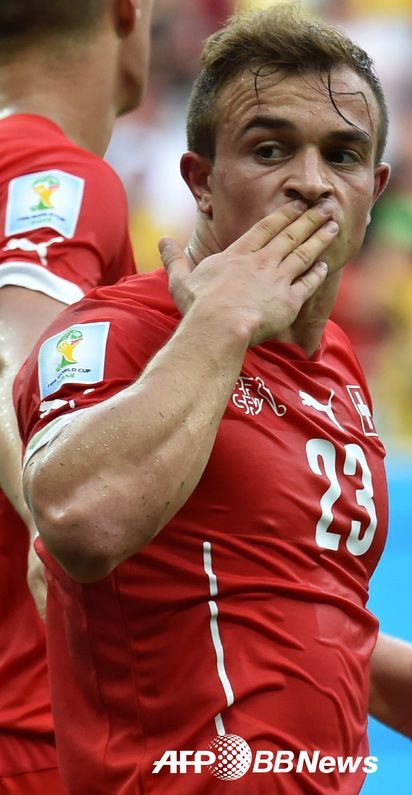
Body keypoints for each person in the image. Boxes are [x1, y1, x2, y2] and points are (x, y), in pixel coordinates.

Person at [14, 5, 412, 795]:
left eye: (342, 155)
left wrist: (366, 659)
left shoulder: (339, 364)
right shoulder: (119, 330)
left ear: (375, 189)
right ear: (201, 183)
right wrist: (220, 322)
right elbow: (76, 520)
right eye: (270, 149)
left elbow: (234, 577)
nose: (311, 183)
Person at [0, 1, 153, 792]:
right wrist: (56, 516)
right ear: (129, 11)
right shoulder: (50, 170)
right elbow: (9, 356)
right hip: (30, 734)